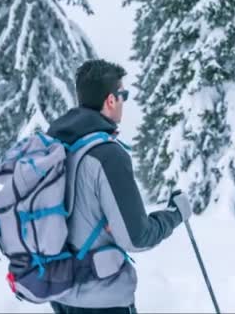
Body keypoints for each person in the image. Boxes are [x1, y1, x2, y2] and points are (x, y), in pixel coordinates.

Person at [46, 59, 192, 314]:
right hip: (101, 298)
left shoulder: (58, 146)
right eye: (123, 95)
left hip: (61, 293)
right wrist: (176, 215)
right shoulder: (107, 155)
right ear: (111, 100)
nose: (123, 102)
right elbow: (137, 237)